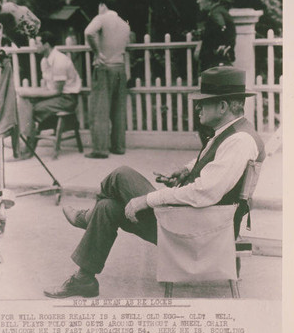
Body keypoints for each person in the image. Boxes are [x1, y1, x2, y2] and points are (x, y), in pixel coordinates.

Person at [43, 66, 265, 298]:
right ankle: (83, 279)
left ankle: (86, 218)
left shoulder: (239, 141)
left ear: (223, 106)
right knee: (107, 207)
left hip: (198, 230)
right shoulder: (233, 133)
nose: (198, 106)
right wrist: (185, 170)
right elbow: (214, 166)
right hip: (198, 223)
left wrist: (146, 199)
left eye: (204, 102)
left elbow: (204, 193)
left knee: (121, 174)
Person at [18, 31, 81, 158]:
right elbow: (48, 88)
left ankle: (27, 147)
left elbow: (57, 91)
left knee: (32, 108)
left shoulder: (60, 61)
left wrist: (33, 94)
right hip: (57, 97)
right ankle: (26, 141)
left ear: (46, 45)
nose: (35, 46)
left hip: (67, 99)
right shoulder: (45, 61)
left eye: (38, 43)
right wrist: (31, 94)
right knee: (25, 101)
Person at [84, 0, 130, 159]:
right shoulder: (125, 24)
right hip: (120, 68)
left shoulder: (102, 18)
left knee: (100, 110)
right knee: (118, 110)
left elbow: (88, 32)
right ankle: (118, 146)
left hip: (105, 67)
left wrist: (98, 52)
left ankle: (101, 149)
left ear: (103, 5)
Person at [195, 0, 236, 73]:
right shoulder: (219, 11)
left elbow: (221, 27)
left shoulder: (215, 13)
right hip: (217, 60)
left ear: (209, 1)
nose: (198, 1)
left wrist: (221, 46)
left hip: (215, 61)